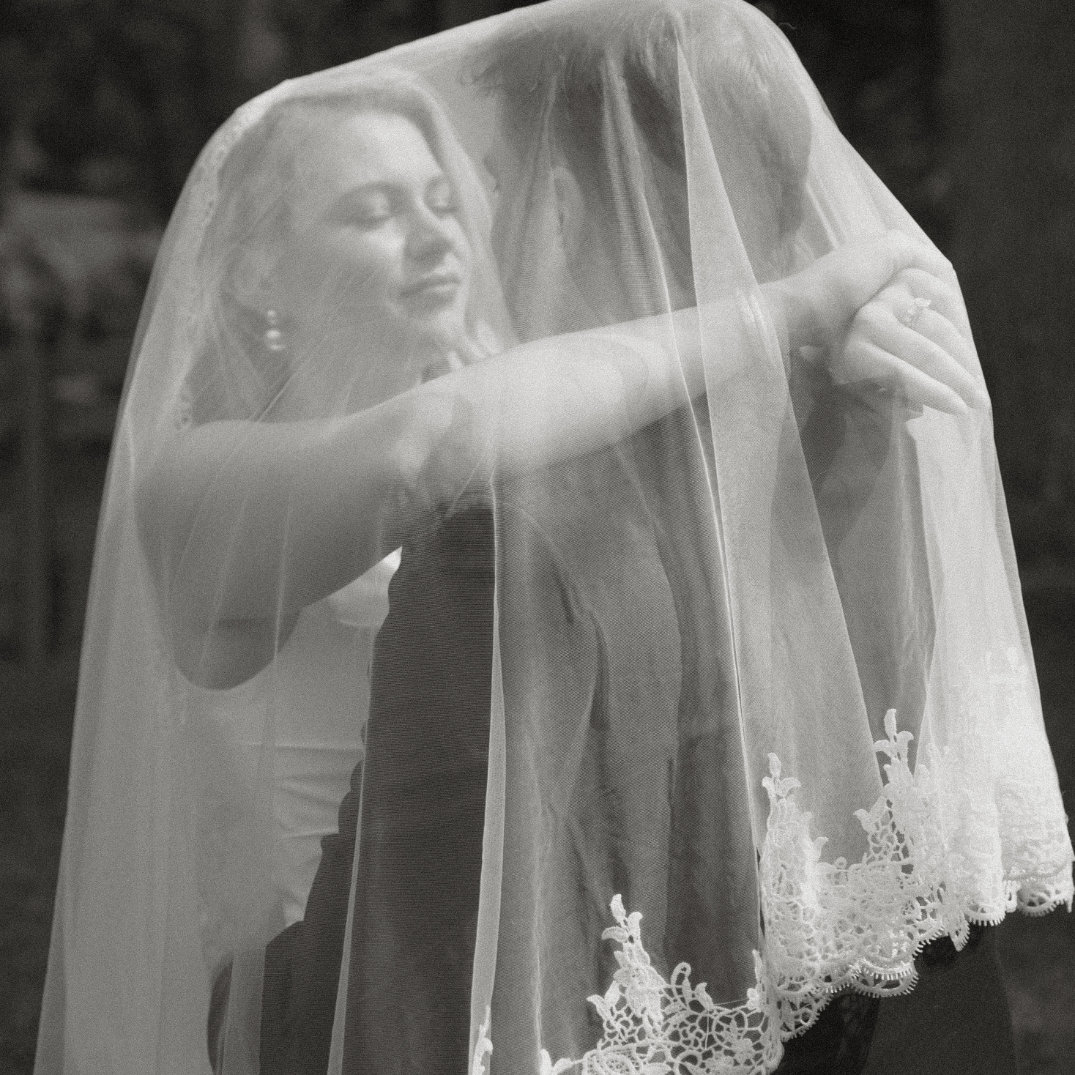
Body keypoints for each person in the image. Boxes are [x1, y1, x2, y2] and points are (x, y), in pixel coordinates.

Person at [35, 3, 1072, 1075]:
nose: (436, 231)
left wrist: (820, 388)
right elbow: (430, 451)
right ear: (254, 274)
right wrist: (793, 309)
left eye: (447, 196)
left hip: (516, 964)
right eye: (372, 210)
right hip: (330, 1003)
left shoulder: (539, 418)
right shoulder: (197, 483)